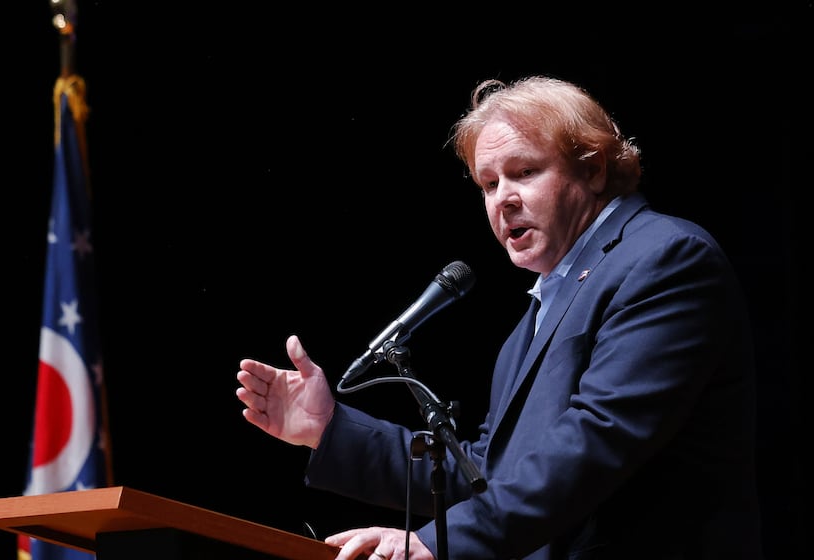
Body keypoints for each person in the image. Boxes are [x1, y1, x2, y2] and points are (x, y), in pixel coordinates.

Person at [234, 75, 764, 560]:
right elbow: (487, 476)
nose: (502, 200)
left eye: (524, 172)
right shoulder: (533, 322)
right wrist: (331, 430)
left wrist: (438, 543)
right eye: (488, 185)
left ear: (594, 169)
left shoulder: (664, 258)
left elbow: (597, 438)